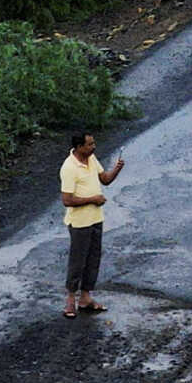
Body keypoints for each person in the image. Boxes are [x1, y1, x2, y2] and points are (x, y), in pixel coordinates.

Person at [59, 132, 124, 317]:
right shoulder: (69, 167)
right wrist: (92, 199)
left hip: (96, 219)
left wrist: (117, 169)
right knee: (77, 261)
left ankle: (86, 298)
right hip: (80, 223)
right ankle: (71, 301)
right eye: (89, 144)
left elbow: (105, 180)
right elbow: (67, 200)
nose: (93, 147)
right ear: (79, 147)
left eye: (93, 143)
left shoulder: (92, 158)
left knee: (93, 259)